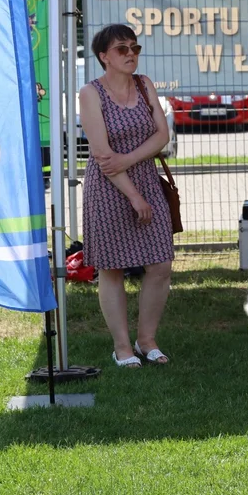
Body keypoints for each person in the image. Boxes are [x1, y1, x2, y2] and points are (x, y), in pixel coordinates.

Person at [79, 24, 176, 369]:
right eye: (122, 49)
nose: (131, 54)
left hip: (145, 178)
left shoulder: (144, 84)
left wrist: (131, 160)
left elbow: (161, 134)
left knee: (160, 263)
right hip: (109, 187)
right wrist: (134, 196)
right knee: (112, 267)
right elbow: (104, 156)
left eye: (134, 47)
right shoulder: (90, 94)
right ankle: (122, 346)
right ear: (104, 57)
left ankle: (146, 339)